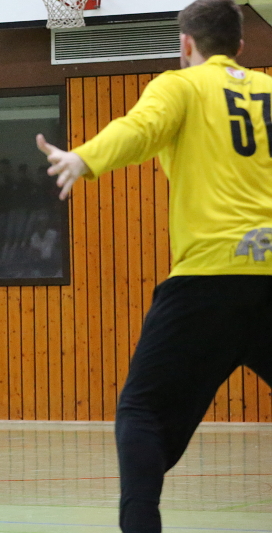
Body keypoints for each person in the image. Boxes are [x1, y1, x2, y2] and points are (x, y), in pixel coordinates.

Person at [36, 1, 272, 531]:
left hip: (209, 281)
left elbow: (139, 129)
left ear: (186, 44)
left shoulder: (181, 85)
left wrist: (83, 158)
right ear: (239, 46)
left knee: (141, 413)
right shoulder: (269, 90)